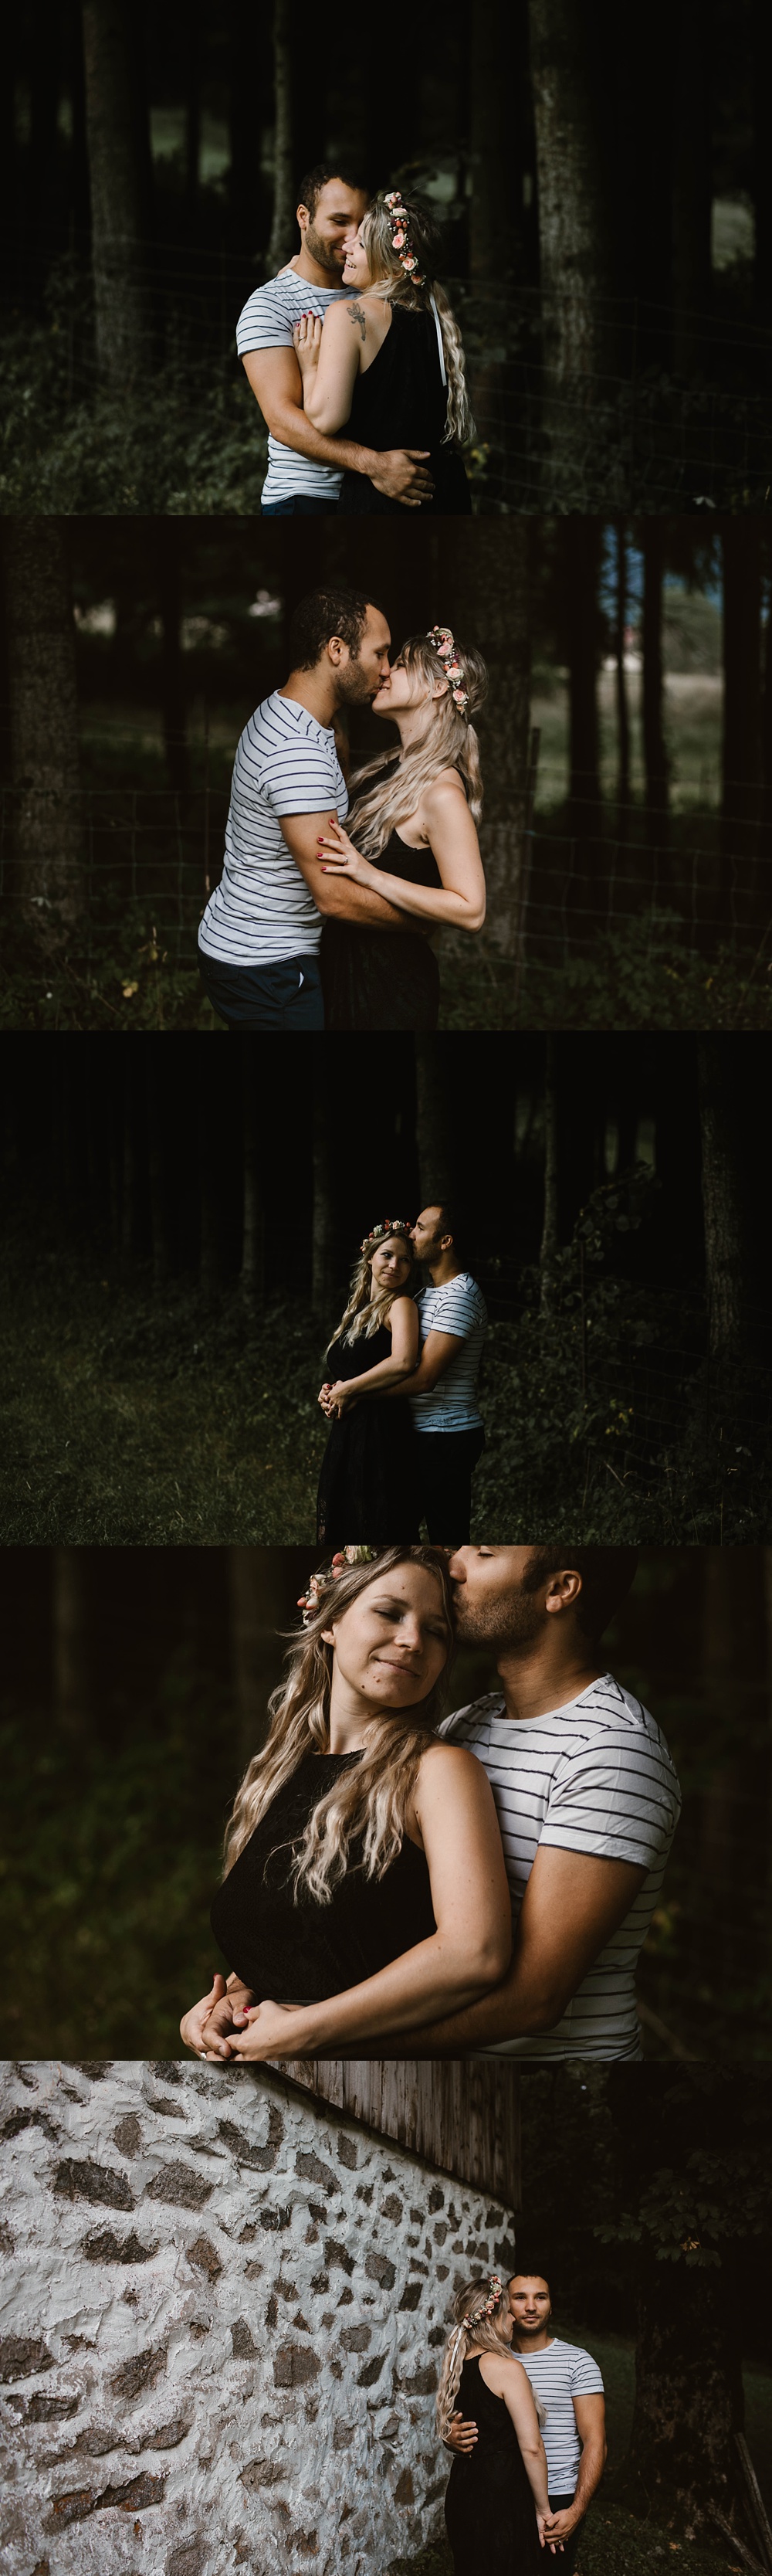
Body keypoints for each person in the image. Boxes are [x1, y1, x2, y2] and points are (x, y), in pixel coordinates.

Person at [179, 1547, 512, 2063]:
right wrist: (231, 2003)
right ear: (330, 1619)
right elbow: (314, 1946)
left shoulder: (436, 1771)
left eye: (437, 1630)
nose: (412, 1640)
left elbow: (476, 1953)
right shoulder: (279, 1771)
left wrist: (304, 2030)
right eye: (390, 1612)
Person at [378, 1546, 682, 2058]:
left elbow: (536, 1997)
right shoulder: (468, 1724)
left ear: (559, 1590)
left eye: (485, 1552)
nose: (452, 1566)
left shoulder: (612, 1749)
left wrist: (332, 2036)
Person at [197, 589, 425, 1031]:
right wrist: (416, 923)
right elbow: (333, 897)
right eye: (379, 653)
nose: (386, 669)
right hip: (266, 966)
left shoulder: (295, 715)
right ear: (336, 650)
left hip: (247, 945)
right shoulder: (297, 752)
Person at [236, 165, 435, 514]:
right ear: (304, 217)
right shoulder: (271, 305)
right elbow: (283, 421)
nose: (352, 236)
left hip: (372, 500)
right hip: (308, 497)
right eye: (339, 221)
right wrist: (374, 464)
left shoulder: (372, 290)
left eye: (361, 224)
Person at [317, 627, 487, 1031]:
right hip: (340, 969)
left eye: (403, 665)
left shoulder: (441, 793)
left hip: (387, 989)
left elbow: (471, 909)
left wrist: (370, 876)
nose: (386, 673)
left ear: (438, 688)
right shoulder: (390, 769)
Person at [292, 189, 472, 516]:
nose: (347, 247)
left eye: (360, 245)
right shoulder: (437, 316)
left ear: (392, 266)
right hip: (446, 491)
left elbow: (325, 419)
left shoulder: (349, 315)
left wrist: (309, 366)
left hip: (385, 500)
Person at [446, 2269, 607, 2576]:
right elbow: (469, 2420)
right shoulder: (491, 2358)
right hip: (507, 2493)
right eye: (520, 2298)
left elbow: (595, 2441)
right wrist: (450, 2437)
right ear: (505, 2307)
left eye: (540, 2297)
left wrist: (577, 2508)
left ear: (551, 2306)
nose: (531, 2306)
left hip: (558, 2494)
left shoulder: (578, 2362)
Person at [355, 1206, 487, 1539]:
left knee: (447, 1537)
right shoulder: (426, 1294)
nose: (411, 1234)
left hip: (446, 1436)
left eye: (420, 1228)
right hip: (419, 1433)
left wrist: (356, 1394)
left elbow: (425, 1378)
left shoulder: (460, 1297)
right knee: (399, 1532)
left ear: (445, 1242)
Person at [437, 2272, 555, 2573]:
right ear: (491, 2319)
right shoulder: (507, 2368)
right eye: (508, 2314)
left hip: (463, 2489)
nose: (514, 2320)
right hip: (502, 2492)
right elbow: (532, 2448)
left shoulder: (456, 2367)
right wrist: (542, 2510)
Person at [317, 1220, 422, 1545]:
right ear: (370, 1258)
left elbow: (403, 1361)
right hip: (349, 1429)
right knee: (345, 1516)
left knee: (378, 1520)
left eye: (405, 1260)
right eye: (387, 1255)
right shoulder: (358, 1307)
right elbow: (351, 1368)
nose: (395, 1265)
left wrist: (349, 1389)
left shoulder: (400, 1305)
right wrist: (332, 1391)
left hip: (382, 1430)